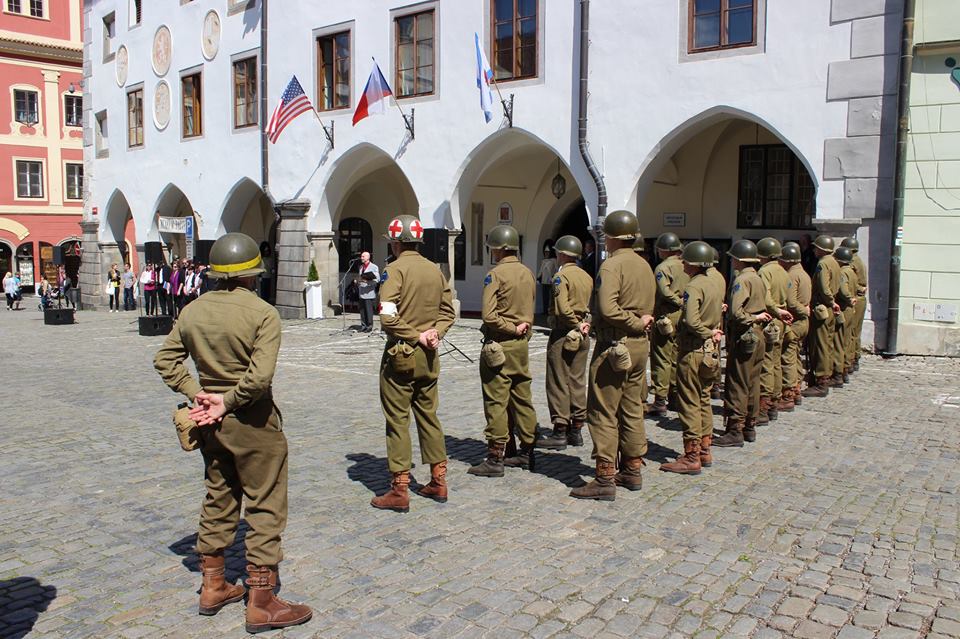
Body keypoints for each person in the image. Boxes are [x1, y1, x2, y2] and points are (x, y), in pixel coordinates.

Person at [154, 233, 312, 633]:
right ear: (253, 273)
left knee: (219, 495)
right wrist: (226, 401)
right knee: (265, 505)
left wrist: (198, 394)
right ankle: (262, 601)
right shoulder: (263, 313)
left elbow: (165, 359)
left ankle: (213, 585)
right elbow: (258, 380)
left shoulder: (192, 311)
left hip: (211, 426)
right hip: (254, 422)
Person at [371, 216, 456, 512]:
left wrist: (416, 335)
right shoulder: (435, 270)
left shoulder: (394, 270)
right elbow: (448, 311)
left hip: (401, 354)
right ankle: (438, 478)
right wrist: (435, 333)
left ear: (395, 242)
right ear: (417, 242)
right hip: (430, 354)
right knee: (429, 415)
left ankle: (400, 488)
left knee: (397, 419)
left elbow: (387, 315)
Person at [570, 210, 655, 500]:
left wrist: (630, 322)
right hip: (639, 346)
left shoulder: (611, 266)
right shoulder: (644, 265)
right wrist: (639, 324)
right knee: (632, 406)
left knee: (603, 409)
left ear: (612, 237)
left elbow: (608, 308)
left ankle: (605, 477)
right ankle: (632, 469)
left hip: (615, 345)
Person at [468, 224, 539, 477]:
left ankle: (496, 456)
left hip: (500, 344)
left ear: (497, 249)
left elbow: (489, 315)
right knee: (522, 398)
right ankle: (527, 450)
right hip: (521, 345)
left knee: (496, 400)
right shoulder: (528, 272)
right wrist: (521, 329)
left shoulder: (495, 274)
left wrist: (510, 327)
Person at [660, 241, 723, 475]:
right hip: (710, 351)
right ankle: (705, 448)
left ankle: (691, 455)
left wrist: (706, 332)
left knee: (689, 403)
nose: (683, 264)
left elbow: (691, 320)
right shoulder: (715, 282)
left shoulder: (694, 286)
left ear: (694, 264)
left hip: (693, 349)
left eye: (686, 260)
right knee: (704, 399)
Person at [536, 235, 593, 450]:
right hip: (583, 334)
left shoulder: (562, 277)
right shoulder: (586, 276)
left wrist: (575, 323)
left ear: (562, 254)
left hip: (564, 333)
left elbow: (562, 307)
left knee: (558, 381)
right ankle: (577, 429)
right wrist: (585, 323)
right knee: (577, 380)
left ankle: (560, 430)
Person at [714, 240, 771, 448]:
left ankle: (734, 429)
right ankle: (749, 425)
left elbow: (737, 313)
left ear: (738, 259)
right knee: (753, 381)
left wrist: (752, 318)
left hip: (745, 334)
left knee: (738, 381)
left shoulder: (742, 280)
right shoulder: (758, 278)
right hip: (758, 336)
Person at [648, 232, 688, 416]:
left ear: (662, 250)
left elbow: (664, 291)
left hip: (667, 315)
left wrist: (677, 301)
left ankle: (660, 399)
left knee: (661, 357)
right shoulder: (686, 265)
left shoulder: (662, 268)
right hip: (683, 316)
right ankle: (674, 396)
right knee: (676, 357)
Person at [756, 238, 793, 424]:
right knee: (777, 361)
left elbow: (766, 297)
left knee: (766, 364)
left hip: (772, 318)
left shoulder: (765, 271)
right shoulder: (783, 271)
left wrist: (775, 310)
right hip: (782, 319)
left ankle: (765, 404)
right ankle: (775, 401)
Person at [802, 236, 843, 397]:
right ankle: (827, 374)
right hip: (830, 308)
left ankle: (821, 381)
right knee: (828, 344)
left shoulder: (824, 263)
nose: (814, 250)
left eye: (817, 247)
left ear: (823, 249)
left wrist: (830, 301)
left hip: (823, 308)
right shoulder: (834, 262)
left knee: (820, 345)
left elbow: (824, 287)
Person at [778, 243, 812, 409]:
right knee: (795, 355)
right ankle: (797, 387)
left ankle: (788, 394)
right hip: (802, 323)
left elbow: (791, 302)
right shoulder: (804, 273)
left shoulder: (792, 275)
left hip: (796, 321)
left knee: (788, 357)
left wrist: (802, 311)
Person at [841, 236, 868, 371]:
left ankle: (850, 359)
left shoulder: (852, 262)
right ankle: (855, 357)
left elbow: (852, 283)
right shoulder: (859, 260)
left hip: (855, 298)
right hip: (860, 298)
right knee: (856, 331)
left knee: (850, 332)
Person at [835, 246, 859, 382]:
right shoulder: (851, 271)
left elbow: (843, 291)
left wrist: (848, 298)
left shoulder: (843, 272)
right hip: (850, 309)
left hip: (844, 308)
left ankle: (839, 372)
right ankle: (845, 367)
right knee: (846, 340)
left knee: (839, 342)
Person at [357, 251, 379, 332]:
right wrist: (358, 281)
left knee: (368, 311)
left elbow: (377, 279)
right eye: (361, 256)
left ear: (368, 257)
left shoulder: (374, 267)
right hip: (361, 292)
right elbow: (361, 277)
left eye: (363, 256)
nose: (361, 258)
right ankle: (363, 326)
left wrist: (367, 282)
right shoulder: (361, 267)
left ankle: (369, 326)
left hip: (369, 293)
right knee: (362, 311)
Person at [536, 245, 558, 316]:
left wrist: (555, 277)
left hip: (550, 280)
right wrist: (537, 277)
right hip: (544, 280)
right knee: (544, 296)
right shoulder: (543, 261)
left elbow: (556, 269)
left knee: (550, 297)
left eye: (548, 252)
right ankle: (545, 310)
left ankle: (551, 311)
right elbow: (541, 270)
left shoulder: (554, 260)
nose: (546, 254)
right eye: (545, 252)